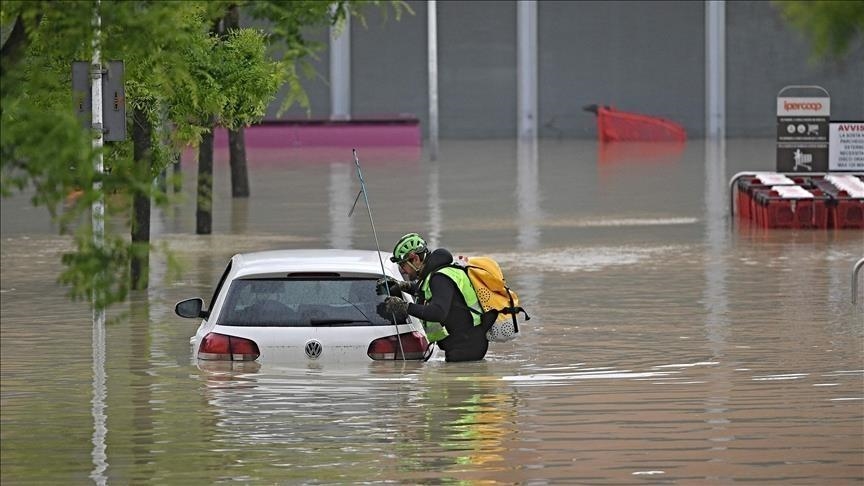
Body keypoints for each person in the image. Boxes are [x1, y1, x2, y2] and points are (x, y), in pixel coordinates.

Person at [376, 233, 490, 362]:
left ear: (415, 259)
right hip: (467, 343)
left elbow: (437, 312)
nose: (403, 271)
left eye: (403, 265)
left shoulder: (440, 277)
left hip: (465, 348)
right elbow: (430, 293)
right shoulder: (439, 273)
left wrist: (404, 306)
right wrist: (404, 286)